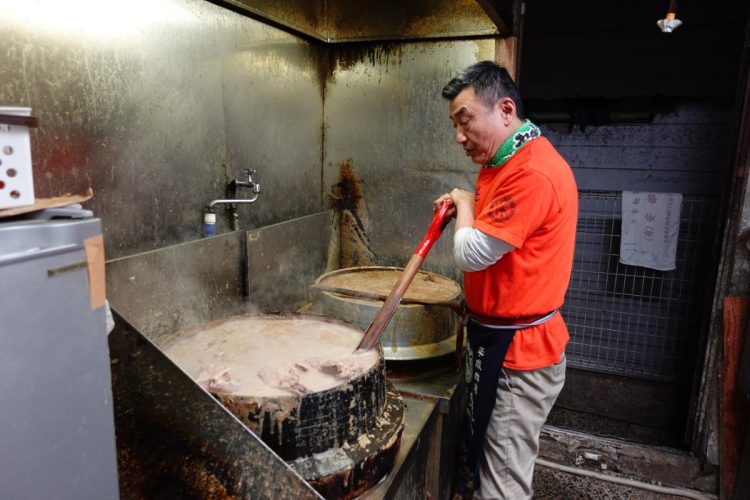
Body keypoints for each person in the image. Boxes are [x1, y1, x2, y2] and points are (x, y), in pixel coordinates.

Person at [435, 61, 578, 499]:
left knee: (503, 484)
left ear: (505, 109)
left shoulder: (531, 172)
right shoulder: (502, 160)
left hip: (521, 355)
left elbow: (472, 253)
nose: (459, 136)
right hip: (495, 341)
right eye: (454, 125)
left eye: (465, 121)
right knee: (486, 461)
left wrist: (463, 203)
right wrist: (468, 202)